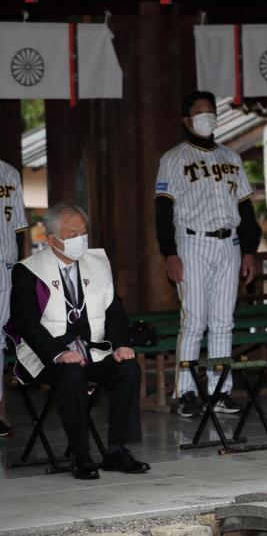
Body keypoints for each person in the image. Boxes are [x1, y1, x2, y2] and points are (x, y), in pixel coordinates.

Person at [4, 203, 149, 480]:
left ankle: (117, 450)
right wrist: (58, 353)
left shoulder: (98, 263)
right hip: (46, 354)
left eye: (83, 232)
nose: (80, 239)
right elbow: (27, 323)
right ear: (51, 240)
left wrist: (121, 344)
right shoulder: (29, 270)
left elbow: (114, 310)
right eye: (72, 235)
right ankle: (80, 455)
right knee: (71, 374)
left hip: (92, 350)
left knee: (128, 368)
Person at [155, 91, 262, 418]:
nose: (207, 116)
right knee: (194, 320)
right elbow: (162, 209)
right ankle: (186, 392)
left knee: (223, 322)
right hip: (192, 242)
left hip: (229, 244)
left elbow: (246, 210)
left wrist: (249, 250)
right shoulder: (173, 158)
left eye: (210, 110)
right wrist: (169, 253)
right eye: (199, 111)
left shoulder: (231, 157)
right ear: (186, 120)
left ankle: (219, 390)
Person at [0, 158, 28, 438]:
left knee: (0, 340)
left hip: (6, 265)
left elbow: (19, 228)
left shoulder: (9, 173)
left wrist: (19, 269)